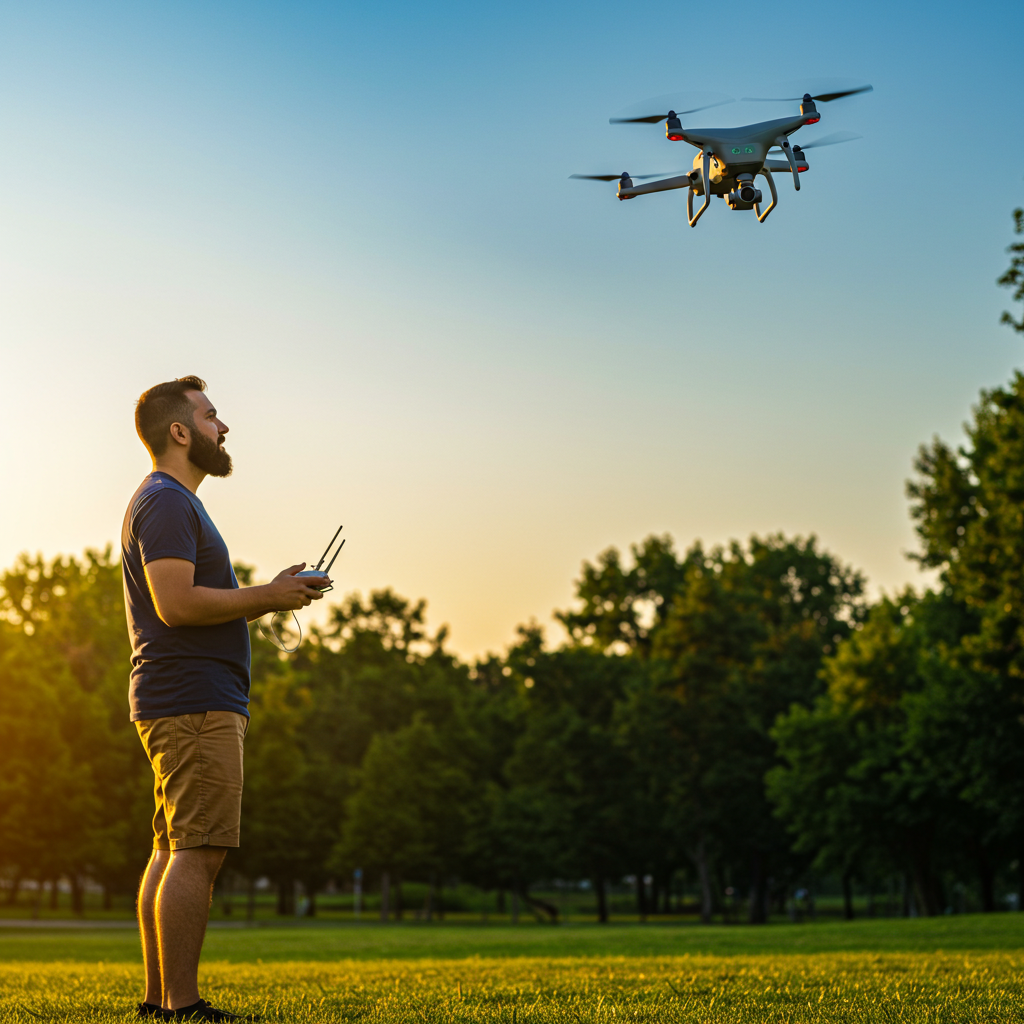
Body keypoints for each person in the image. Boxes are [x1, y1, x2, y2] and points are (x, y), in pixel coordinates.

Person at [121, 376, 330, 1022]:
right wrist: (266, 597)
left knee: (173, 845)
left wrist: (272, 594)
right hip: (192, 701)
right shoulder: (166, 502)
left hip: (180, 698)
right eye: (212, 417)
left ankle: (161, 1001)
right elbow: (176, 604)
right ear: (179, 431)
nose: (224, 427)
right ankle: (183, 1006)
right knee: (198, 848)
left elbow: (190, 604)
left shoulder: (168, 503)